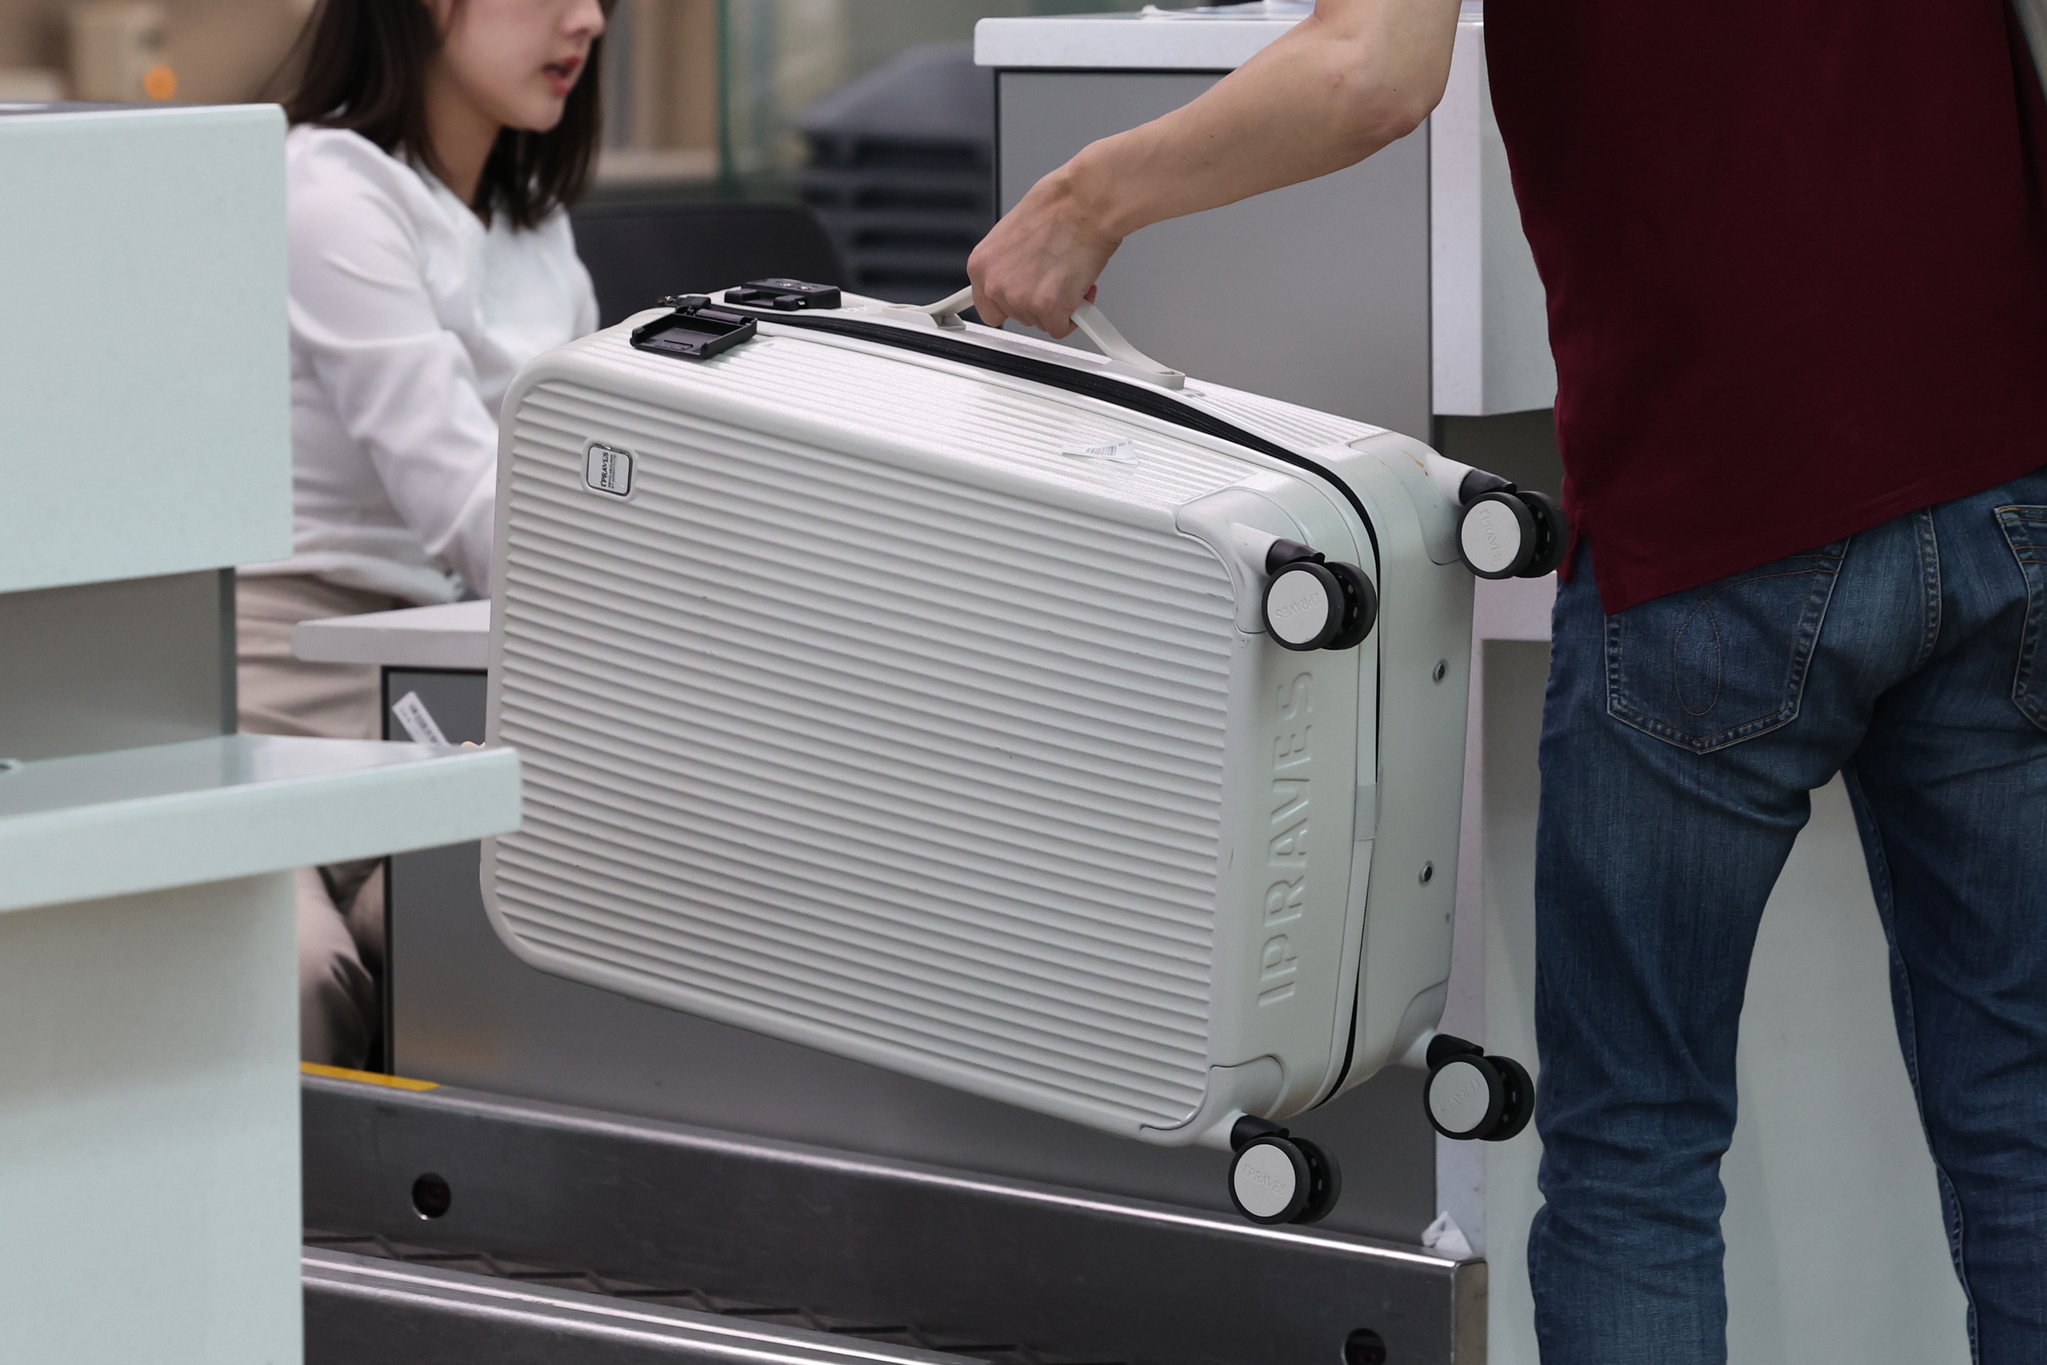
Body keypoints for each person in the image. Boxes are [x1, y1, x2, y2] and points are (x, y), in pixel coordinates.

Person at [968, 1, 2047, 1361]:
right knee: (2021, 1113)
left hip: (1714, 512)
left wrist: (1081, 197)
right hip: (2001, 467)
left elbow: (1368, 71)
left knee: (1635, 1147)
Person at [241, 0, 607, 1068]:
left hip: (452, 676)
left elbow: (575, 498)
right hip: (283, 682)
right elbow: (474, 505)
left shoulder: (536, 229)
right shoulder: (326, 188)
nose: (585, 18)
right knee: (304, 970)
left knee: (518, 931)